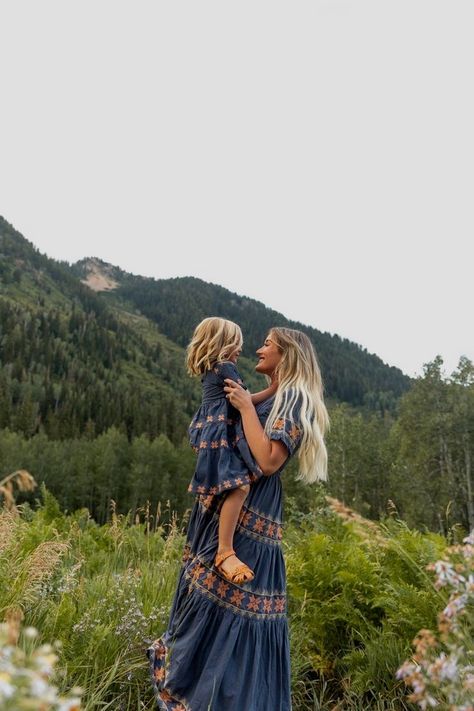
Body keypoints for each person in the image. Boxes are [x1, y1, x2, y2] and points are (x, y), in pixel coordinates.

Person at [147, 326, 330, 711]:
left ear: (287, 356)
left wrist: (247, 407)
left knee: (228, 617)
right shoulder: (273, 395)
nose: (259, 350)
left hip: (249, 524)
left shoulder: (295, 400)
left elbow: (267, 460)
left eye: (268, 345)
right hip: (224, 514)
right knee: (208, 610)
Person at [186, 316, 277, 584]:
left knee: (232, 486)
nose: (241, 349)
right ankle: (224, 550)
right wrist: (274, 389)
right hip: (219, 436)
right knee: (239, 487)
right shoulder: (226, 367)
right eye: (237, 343)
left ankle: (222, 548)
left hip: (210, 433)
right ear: (224, 344)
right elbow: (243, 400)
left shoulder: (212, 369)